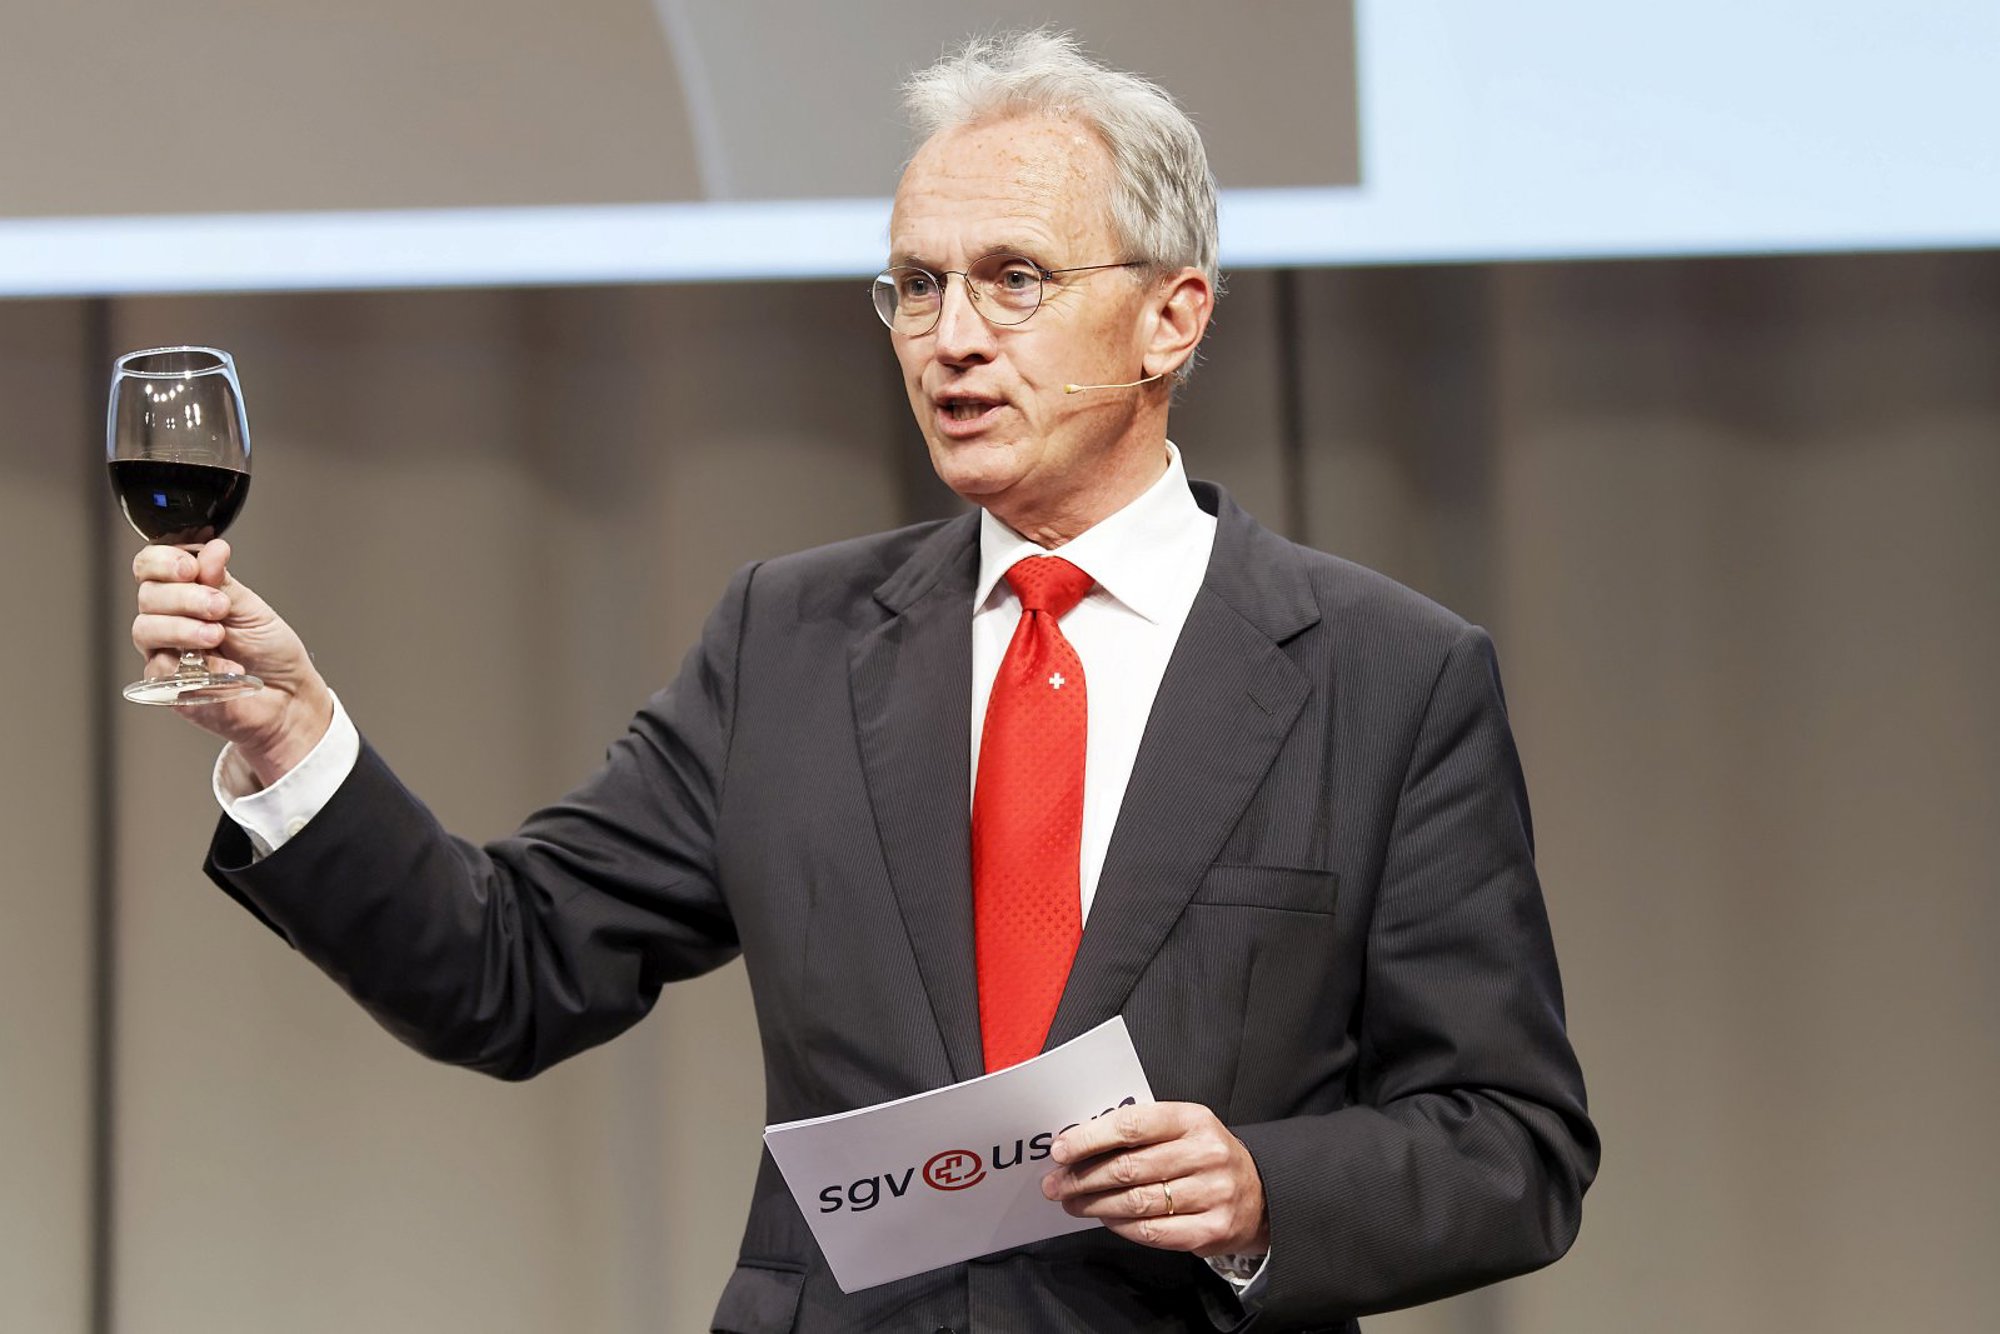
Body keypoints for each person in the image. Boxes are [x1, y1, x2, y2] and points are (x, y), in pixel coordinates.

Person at [129, 29, 1596, 1334]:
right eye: (916, 286)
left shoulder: (1387, 676)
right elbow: (502, 971)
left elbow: (1514, 1145)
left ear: (1174, 316)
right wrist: (292, 739)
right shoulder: (790, 642)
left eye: (1014, 280)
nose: (951, 339)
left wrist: (1263, 1184)